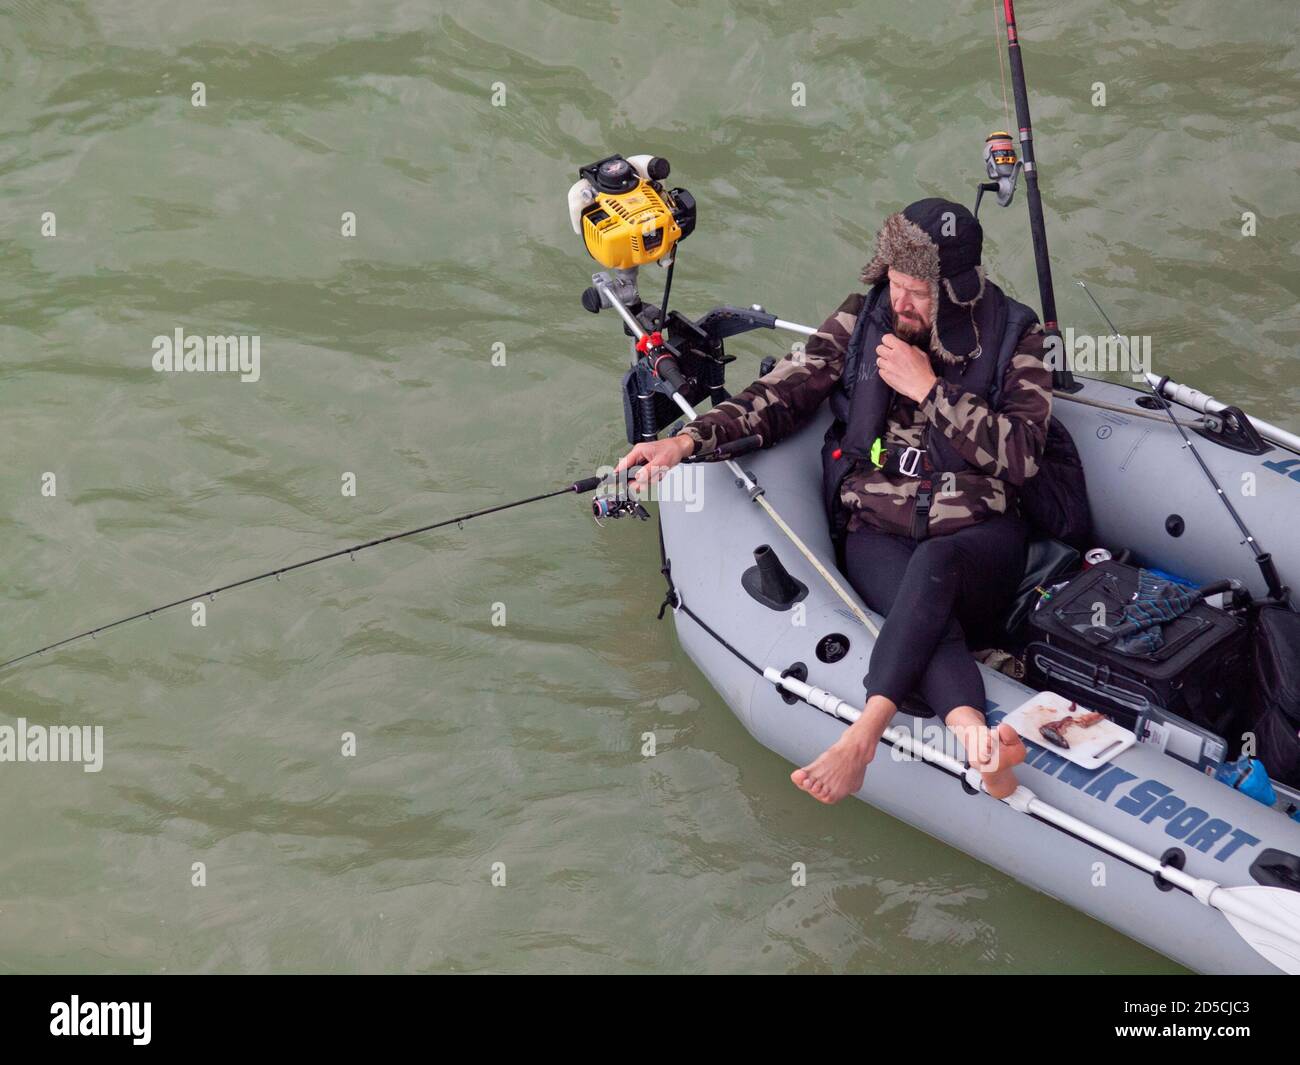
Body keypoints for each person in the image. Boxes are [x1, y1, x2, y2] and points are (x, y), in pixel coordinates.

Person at [615, 198, 1053, 803]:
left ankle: (863, 739)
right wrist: (688, 440)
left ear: (953, 290)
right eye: (895, 285)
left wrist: (929, 389)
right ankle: (976, 736)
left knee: (933, 568)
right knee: (915, 596)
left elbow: (1024, 455)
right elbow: (783, 391)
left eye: (917, 293)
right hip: (877, 528)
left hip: (978, 541)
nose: (901, 303)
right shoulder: (864, 317)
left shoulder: (1015, 335)